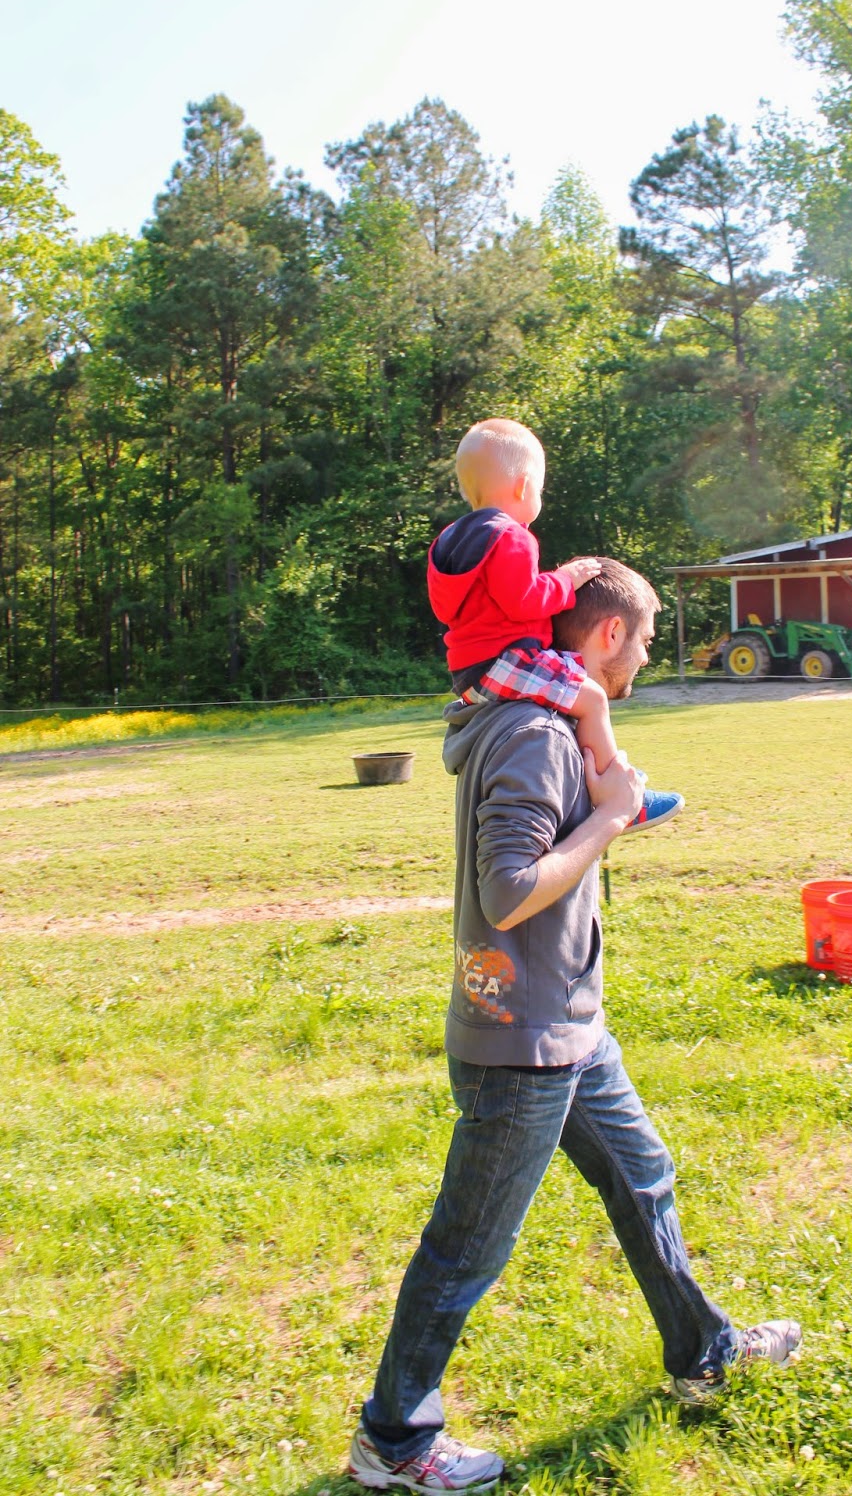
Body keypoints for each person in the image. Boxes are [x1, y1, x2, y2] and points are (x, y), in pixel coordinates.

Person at [347, 559, 802, 1494]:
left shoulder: (545, 729)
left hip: (566, 1026)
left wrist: (610, 816)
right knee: (467, 1248)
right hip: (521, 1042)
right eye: (639, 638)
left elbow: (544, 842)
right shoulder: (534, 737)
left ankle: (703, 1351)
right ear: (603, 638)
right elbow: (509, 890)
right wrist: (609, 819)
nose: (643, 654)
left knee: (643, 1180)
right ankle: (394, 1438)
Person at [427, 416, 683, 833]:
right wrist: (566, 579)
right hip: (506, 662)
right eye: (541, 490)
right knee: (594, 699)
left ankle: (582, 783)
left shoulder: (448, 542)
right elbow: (525, 600)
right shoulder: (512, 537)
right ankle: (622, 797)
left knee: (572, 689)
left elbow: (447, 609)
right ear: (524, 486)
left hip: (470, 673)